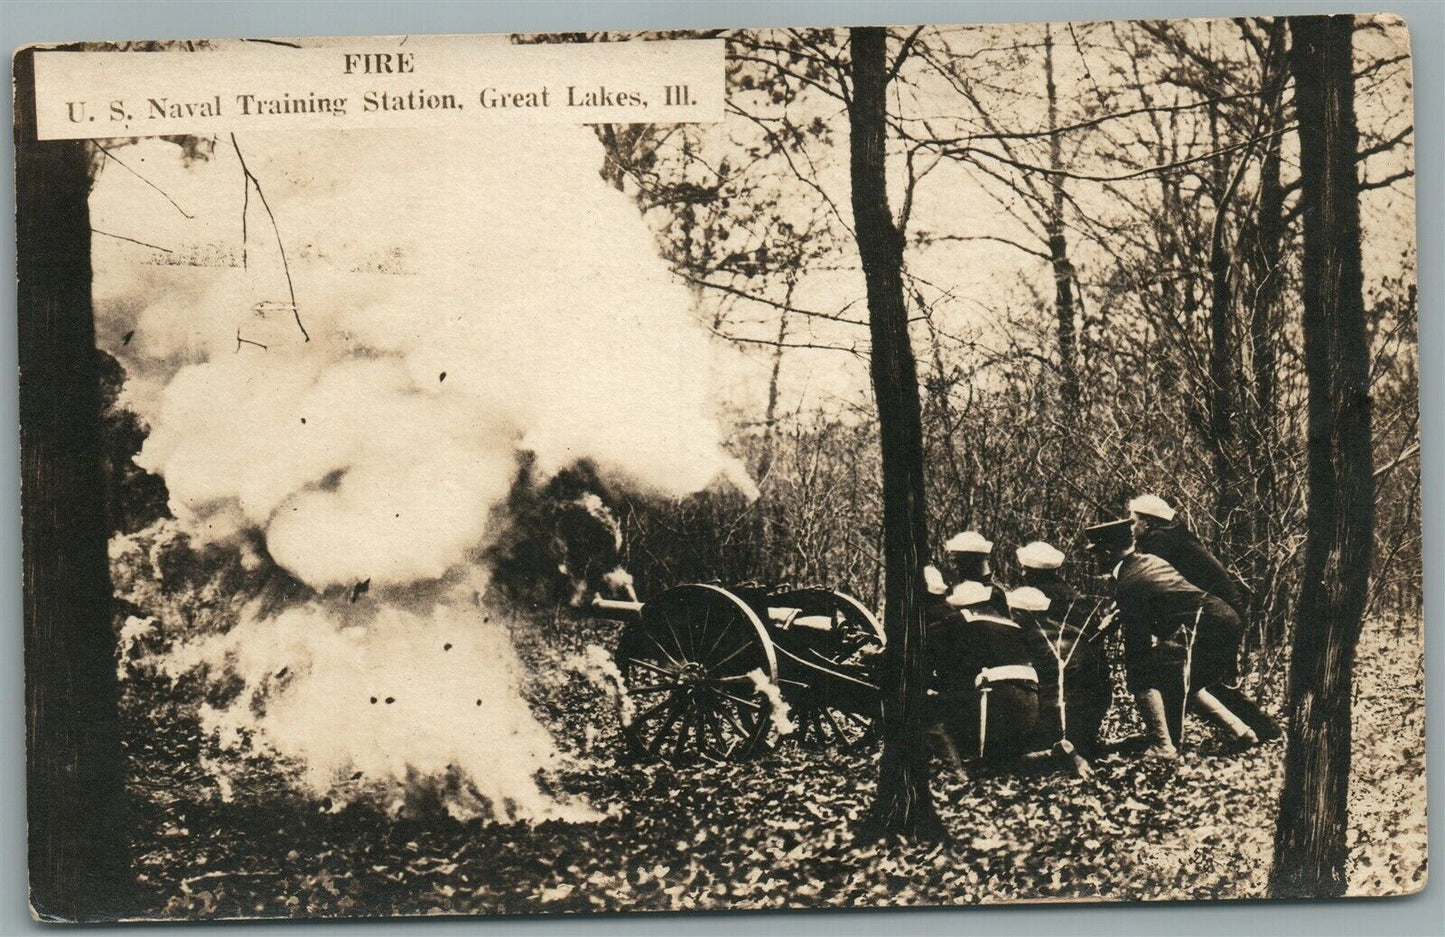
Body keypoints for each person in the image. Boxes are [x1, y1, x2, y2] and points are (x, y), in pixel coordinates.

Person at [1084, 518, 1268, 759]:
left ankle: (1162, 746)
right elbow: (1162, 595)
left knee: (1142, 674)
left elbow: (1136, 643)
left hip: (1209, 630)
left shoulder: (1129, 583)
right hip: (1222, 620)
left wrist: (1134, 669)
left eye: (1096, 555)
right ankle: (1242, 732)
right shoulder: (1147, 561)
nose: (1094, 560)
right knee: (1181, 679)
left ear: (1107, 553)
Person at [1127, 495, 1281, 742]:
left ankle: (1169, 741)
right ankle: (1263, 730)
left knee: (1183, 678)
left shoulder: (1160, 543)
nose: (1131, 528)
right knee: (1201, 679)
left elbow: (1155, 587)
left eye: (1134, 521)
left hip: (1215, 619)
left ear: (1148, 523)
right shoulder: (1174, 537)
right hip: (1219, 615)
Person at [925, 572, 1039, 763]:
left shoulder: (960, 621)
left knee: (931, 704)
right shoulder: (1012, 625)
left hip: (994, 700)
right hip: (1030, 703)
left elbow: (926, 650)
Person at [1012, 541, 1111, 758]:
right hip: (1094, 680)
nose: (1022, 572)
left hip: (1059, 683)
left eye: (1025, 569)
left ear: (1030, 572)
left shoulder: (1033, 600)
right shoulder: (1077, 597)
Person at [943, 530, 1010, 616]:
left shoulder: (992, 594)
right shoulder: (960, 590)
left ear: (976, 560)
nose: (956, 567)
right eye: (954, 562)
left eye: (960, 561)